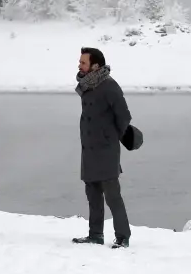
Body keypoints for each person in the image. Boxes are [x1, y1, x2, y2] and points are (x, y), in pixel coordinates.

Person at [72, 47, 133, 248]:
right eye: (80, 62)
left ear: (95, 66)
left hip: (106, 150)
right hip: (89, 149)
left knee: (113, 196)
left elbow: (124, 117)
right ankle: (95, 235)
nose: (79, 65)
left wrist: (109, 137)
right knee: (93, 195)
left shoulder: (109, 86)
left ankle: (123, 237)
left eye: (83, 62)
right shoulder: (87, 85)